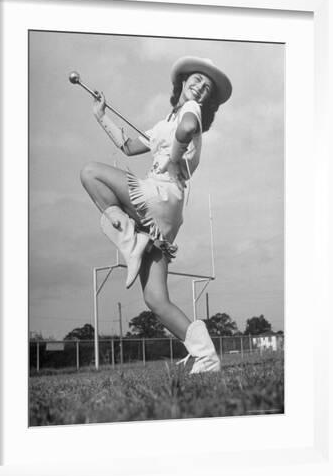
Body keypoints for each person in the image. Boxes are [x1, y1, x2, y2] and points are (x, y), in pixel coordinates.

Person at [80, 56, 232, 373]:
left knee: (91, 173)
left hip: (162, 193)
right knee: (156, 300)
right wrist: (101, 116)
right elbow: (128, 146)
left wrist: (174, 155)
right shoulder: (168, 118)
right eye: (197, 80)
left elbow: (187, 129)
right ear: (183, 81)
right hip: (167, 214)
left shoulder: (191, 111)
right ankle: (206, 356)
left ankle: (130, 240)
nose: (201, 87)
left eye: (207, 87)